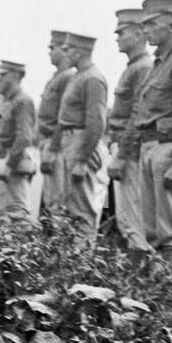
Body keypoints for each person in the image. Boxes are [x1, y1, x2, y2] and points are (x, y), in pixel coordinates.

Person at [113, 0, 172, 274]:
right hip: (149, 147)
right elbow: (141, 112)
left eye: (151, 22)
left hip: (168, 148)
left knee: (171, 231)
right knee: (152, 230)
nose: (146, 27)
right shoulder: (158, 63)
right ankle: (158, 292)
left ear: (171, 24)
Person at [106, 9, 152, 257]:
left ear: (137, 34)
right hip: (126, 149)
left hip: (131, 152)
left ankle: (140, 283)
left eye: (121, 32)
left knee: (134, 222)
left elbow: (137, 115)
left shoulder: (142, 67)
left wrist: (122, 155)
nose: (117, 37)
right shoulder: (134, 67)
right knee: (128, 222)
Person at [56, 32, 110, 239]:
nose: (64, 53)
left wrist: (82, 160)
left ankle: (82, 261)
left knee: (83, 209)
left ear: (79, 53)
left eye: (68, 49)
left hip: (81, 143)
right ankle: (74, 260)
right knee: (72, 207)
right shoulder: (78, 76)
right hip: (71, 141)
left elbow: (96, 123)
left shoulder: (93, 78)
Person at [0, 60, 38, 226]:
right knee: (2, 214)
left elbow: (24, 137)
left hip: (13, 163)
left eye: (3, 74)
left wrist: (10, 165)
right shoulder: (8, 101)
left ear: (16, 76)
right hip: (3, 158)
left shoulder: (22, 101)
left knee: (17, 214)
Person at [38, 31, 75, 218]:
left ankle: (61, 244)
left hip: (57, 144)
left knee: (58, 200)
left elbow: (64, 116)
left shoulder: (68, 76)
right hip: (49, 142)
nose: (49, 51)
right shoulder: (56, 77)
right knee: (51, 199)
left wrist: (53, 148)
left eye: (53, 47)